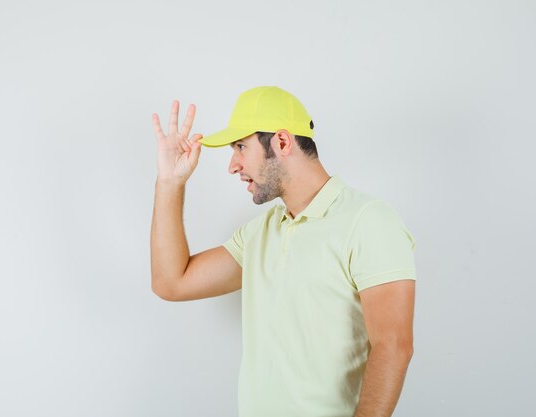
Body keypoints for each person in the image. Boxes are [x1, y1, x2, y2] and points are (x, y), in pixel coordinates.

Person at [150, 86, 417, 417]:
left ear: (281, 142)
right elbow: (171, 282)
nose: (233, 166)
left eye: (241, 147)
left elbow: (393, 347)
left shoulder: (368, 221)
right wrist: (170, 183)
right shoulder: (260, 233)